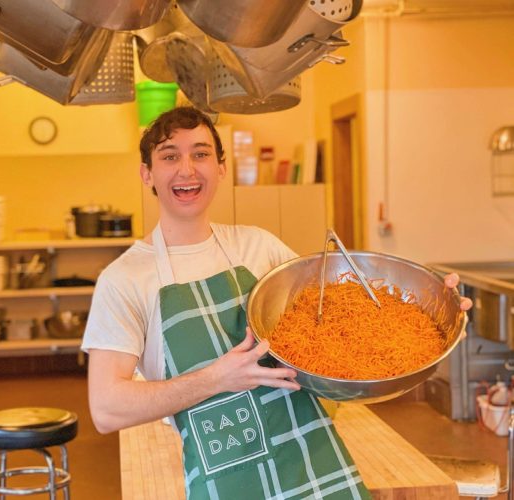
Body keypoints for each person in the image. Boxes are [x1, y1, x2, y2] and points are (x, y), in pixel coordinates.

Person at [82, 106, 472, 499]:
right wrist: (217, 378)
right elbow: (106, 408)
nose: (187, 169)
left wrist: (429, 305)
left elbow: (343, 316)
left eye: (200, 154)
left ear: (221, 167)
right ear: (147, 173)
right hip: (226, 477)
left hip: (313, 464)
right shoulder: (125, 279)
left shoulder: (259, 247)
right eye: (170, 156)